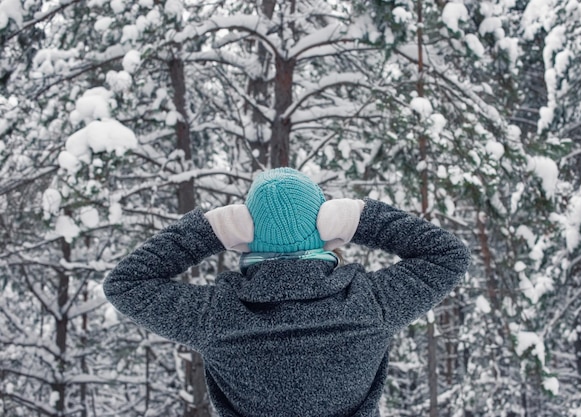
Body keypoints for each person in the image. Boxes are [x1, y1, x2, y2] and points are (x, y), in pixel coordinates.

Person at [104, 167, 470, 417]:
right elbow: (448, 255)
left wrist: (209, 229)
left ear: (245, 233)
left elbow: (126, 284)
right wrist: (362, 218)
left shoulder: (216, 316)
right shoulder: (370, 305)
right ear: (326, 226)